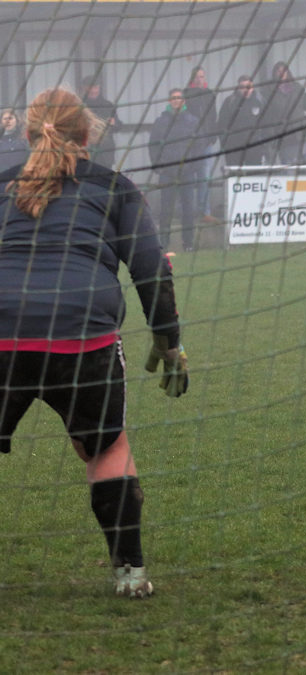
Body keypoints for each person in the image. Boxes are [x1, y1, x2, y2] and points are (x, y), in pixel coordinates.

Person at [0, 87, 188, 599]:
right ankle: (130, 573)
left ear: (25, 130)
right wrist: (169, 342)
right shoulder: (116, 188)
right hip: (83, 335)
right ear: (87, 133)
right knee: (105, 446)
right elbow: (151, 268)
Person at [148, 88, 203, 251]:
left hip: (187, 172)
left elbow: (199, 145)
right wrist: (159, 166)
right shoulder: (160, 122)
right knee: (166, 209)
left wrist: (194, 167)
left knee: (188, 209)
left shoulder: (193, 121)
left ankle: (188, 243)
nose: (176, 100)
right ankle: (164, 242)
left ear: (183, 101)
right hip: (167, 172)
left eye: (179, 98)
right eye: (173, 98)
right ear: (169, 101)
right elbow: (153, 146)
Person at [182, 66, 220, 222]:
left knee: (204, 177)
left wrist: (212, 136)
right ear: (192, 78)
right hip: (190, 145)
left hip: (206, 143)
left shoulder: (209, 94)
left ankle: (204, 211)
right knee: (189, 178)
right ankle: (188, 211)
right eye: (197, 76)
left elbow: (213, 117)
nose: (199, 79)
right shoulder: (186, 94)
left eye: (202, 76)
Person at [262, 61, 306, 164]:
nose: (281, 73)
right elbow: (266, 115)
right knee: (288, 168)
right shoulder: (268, 91)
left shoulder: (297, 88)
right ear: (275, 73)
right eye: (278, 71)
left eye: (284, 71)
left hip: (301, 135)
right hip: (284, 137)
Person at [219, 75, 266, 166]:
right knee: (234, 174)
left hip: (254, 147)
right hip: (234, 146)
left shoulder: (260, 101)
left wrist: (264, 145)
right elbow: (222, 124)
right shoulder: (230, 102)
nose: (246, 90)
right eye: (243, 87)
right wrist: (225, 143)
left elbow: (267, 123)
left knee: (254, 175)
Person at [80, 79, 121, 168]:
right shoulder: (79, 105)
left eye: (96, 88)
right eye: (90, 88)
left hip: (105, 154)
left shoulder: (108, 105)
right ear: (84, 88)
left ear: (99, 88)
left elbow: (118, 126)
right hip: (86, 151)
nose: (93, 91)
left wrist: (114, 124)